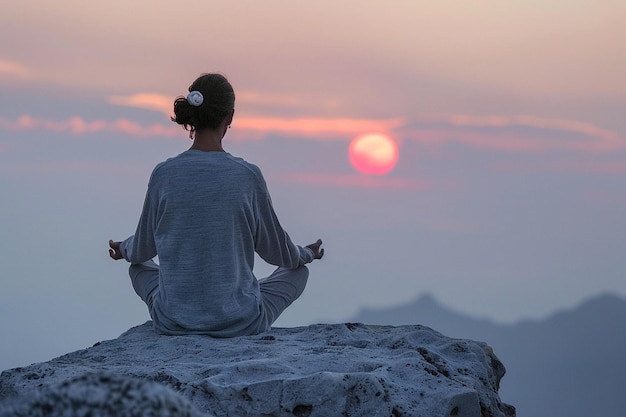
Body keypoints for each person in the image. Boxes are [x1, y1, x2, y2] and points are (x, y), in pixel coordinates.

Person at [108, 73, 324, 337]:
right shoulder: (247, 175)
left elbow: (142, 248)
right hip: (241, 323)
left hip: (173, 321)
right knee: (298, 272)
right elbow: (280, 254)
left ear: (193, 118)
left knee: (137, 267)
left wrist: (124, 248)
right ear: (229, 117)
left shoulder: (164, 173)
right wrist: (308, 254)